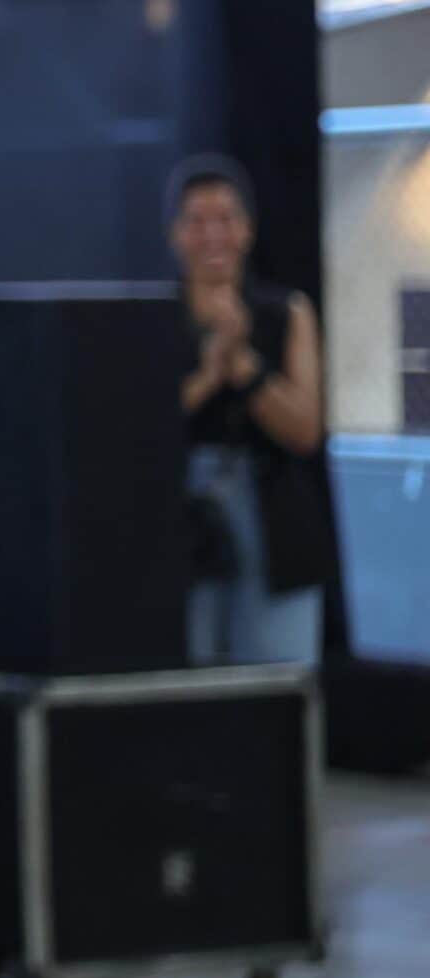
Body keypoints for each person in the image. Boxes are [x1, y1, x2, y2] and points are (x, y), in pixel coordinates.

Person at [170, 156, 331, 666]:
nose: (212, 236)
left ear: (247, 230)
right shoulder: (153, 316)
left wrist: (243, 365)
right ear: (176, 234)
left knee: (278, 678)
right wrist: (207, 376)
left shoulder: (288, 312)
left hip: (273, 511)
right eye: (197, 221)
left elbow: (306, 430)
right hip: (180, 519)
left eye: (226, 219)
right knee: (186, 669)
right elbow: (137, 429)